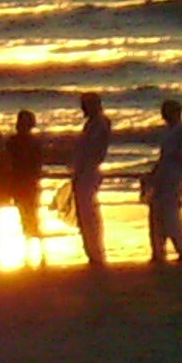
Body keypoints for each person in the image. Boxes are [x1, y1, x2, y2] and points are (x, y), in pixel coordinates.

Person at [144, 98, 182, 265]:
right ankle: (159, 252)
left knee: (169, 213)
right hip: (166, 172)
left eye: (167, 111)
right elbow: (164, 155)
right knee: (158, 211)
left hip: (174, 174)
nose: (164, 115)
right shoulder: (168, 131)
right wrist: (154, 172)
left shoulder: (181, 130)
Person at [72, 92, 112, 267]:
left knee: (88, 213)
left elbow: (92, 151)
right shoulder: (96, 123)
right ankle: (94, 252)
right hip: (88, 170)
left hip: (88, 171)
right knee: (88, 212)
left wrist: (80, 170)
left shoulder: (98, 124)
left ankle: (95, 253)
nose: (82, 109)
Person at [6, 109, 45, 265]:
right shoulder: (32, 142)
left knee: (28, 217)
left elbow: (7, 163)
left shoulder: (14, 142)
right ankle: (37, 252)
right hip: (27, 183)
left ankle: (35, 253)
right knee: (30, 216)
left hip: (22, 183)